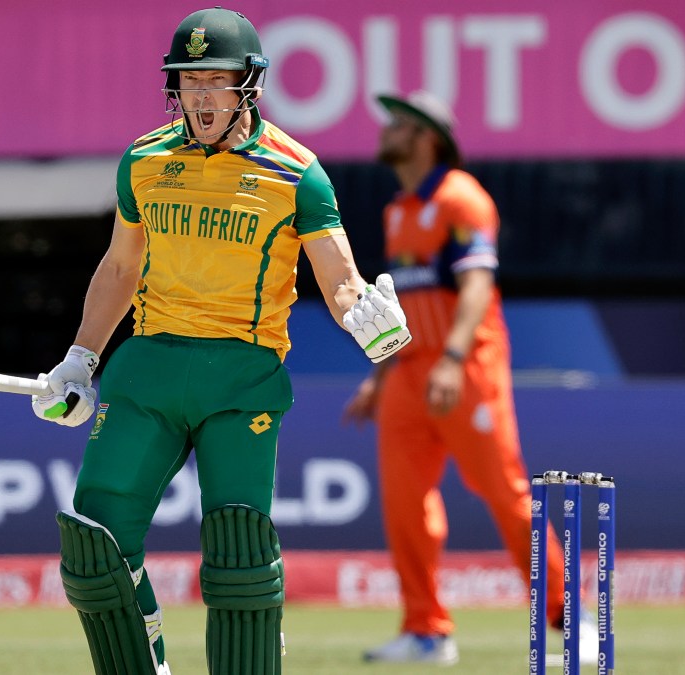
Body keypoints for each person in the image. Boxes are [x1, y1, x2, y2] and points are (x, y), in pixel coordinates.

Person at [28, 8, 411, 675]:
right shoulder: (145, 160)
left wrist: (371, 328)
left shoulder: (298, 172)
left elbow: (342, 281)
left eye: (217, 79)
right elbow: (120, 268)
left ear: (249, 85)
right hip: (146, 368)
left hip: (243, 375)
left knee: (240, 557)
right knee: (95, 547)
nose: (202, 95)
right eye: (189, 80)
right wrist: (81, 358)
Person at [342, 90, 596, 666]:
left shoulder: (462, 199)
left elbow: (477, 286)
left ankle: (569, 619)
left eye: (399, 124)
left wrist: (454, 359)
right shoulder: (397, 209)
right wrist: (381, 375)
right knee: (406, 504)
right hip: (409, 370)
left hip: (469, 366)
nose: (386, 131)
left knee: (506, 496)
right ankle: (427, 630)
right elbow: (406, 302)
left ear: (427, 137)